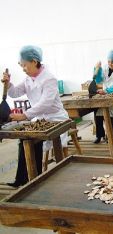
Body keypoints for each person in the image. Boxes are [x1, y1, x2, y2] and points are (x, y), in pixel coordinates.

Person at [2, 45, 69, 187]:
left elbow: (46, 103)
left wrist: (24, 115)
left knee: (35, 139)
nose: (23, 69)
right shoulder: (28, 79)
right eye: (21, 66)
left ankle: (36, 179)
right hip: (39, 118)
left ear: (34, 61)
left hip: (55, 118)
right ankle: (22, 180)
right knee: (25, 139)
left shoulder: (48, 78)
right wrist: (8, 84)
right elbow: (15, 93)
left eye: (24, 65)